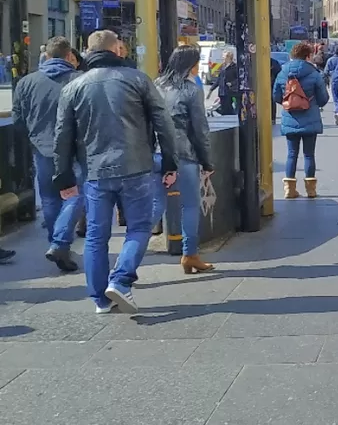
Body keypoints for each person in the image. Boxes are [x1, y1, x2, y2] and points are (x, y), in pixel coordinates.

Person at [53, 29, 178, 315]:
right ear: (117, 50)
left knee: (97, 236)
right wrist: (170, 162)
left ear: (87, 51)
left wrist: (63, 176)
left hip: (96, 171)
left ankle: (100, 299)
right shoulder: (137, 80)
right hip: (136, 167)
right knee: (139, 227)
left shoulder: (73, 87)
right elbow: (164, 123)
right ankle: (121, 279)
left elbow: (62, 135)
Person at [11, 36, 84, 272]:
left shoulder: (26, 82)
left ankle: (56, 243)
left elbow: (18, 118)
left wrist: (33, 139)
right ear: (68, 56)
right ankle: (60, 243)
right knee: (76, 195)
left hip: (42, 149)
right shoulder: (79, 80)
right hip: (74, 150)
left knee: (51, 198)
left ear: (46, 56)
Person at [154, 45, 216, 276]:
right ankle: (190, 255)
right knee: (189, 205)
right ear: (191, 65)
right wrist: (207, 162)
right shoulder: (191, 90)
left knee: (154, 205)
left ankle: (128, 260)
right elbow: (200, 130)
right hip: (184, 155)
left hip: (157, 153)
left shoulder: (155, 85)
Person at [273, 40, 329, 199]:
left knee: (291, 154)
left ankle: (289, 190)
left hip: (290, 117)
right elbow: (323, 99)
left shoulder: (282, 73)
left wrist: (290, 103)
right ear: (308, 56)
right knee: (309, 155)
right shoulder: (314, 73)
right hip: (310, 118)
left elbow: (276, 96)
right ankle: (311, 190)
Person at [217, 48, 239, 116]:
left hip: (229, 92)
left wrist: (232, 83)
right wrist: (211, 89)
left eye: (224, 57)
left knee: (228, 109)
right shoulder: (222, 66)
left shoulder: (234, 67)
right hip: (222, 92)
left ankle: (231, 123)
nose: (222, 59)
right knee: (223, 110)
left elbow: (238, 79)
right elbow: (219, 79)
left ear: (229, 58)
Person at [269, 53, 282, 123]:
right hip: (272, 83)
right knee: (272, 101)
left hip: (272, 84)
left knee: (272, 100)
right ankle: (272, 119)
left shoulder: (274, 62)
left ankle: (272, 118)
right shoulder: (274, 62)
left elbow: (279, 73)